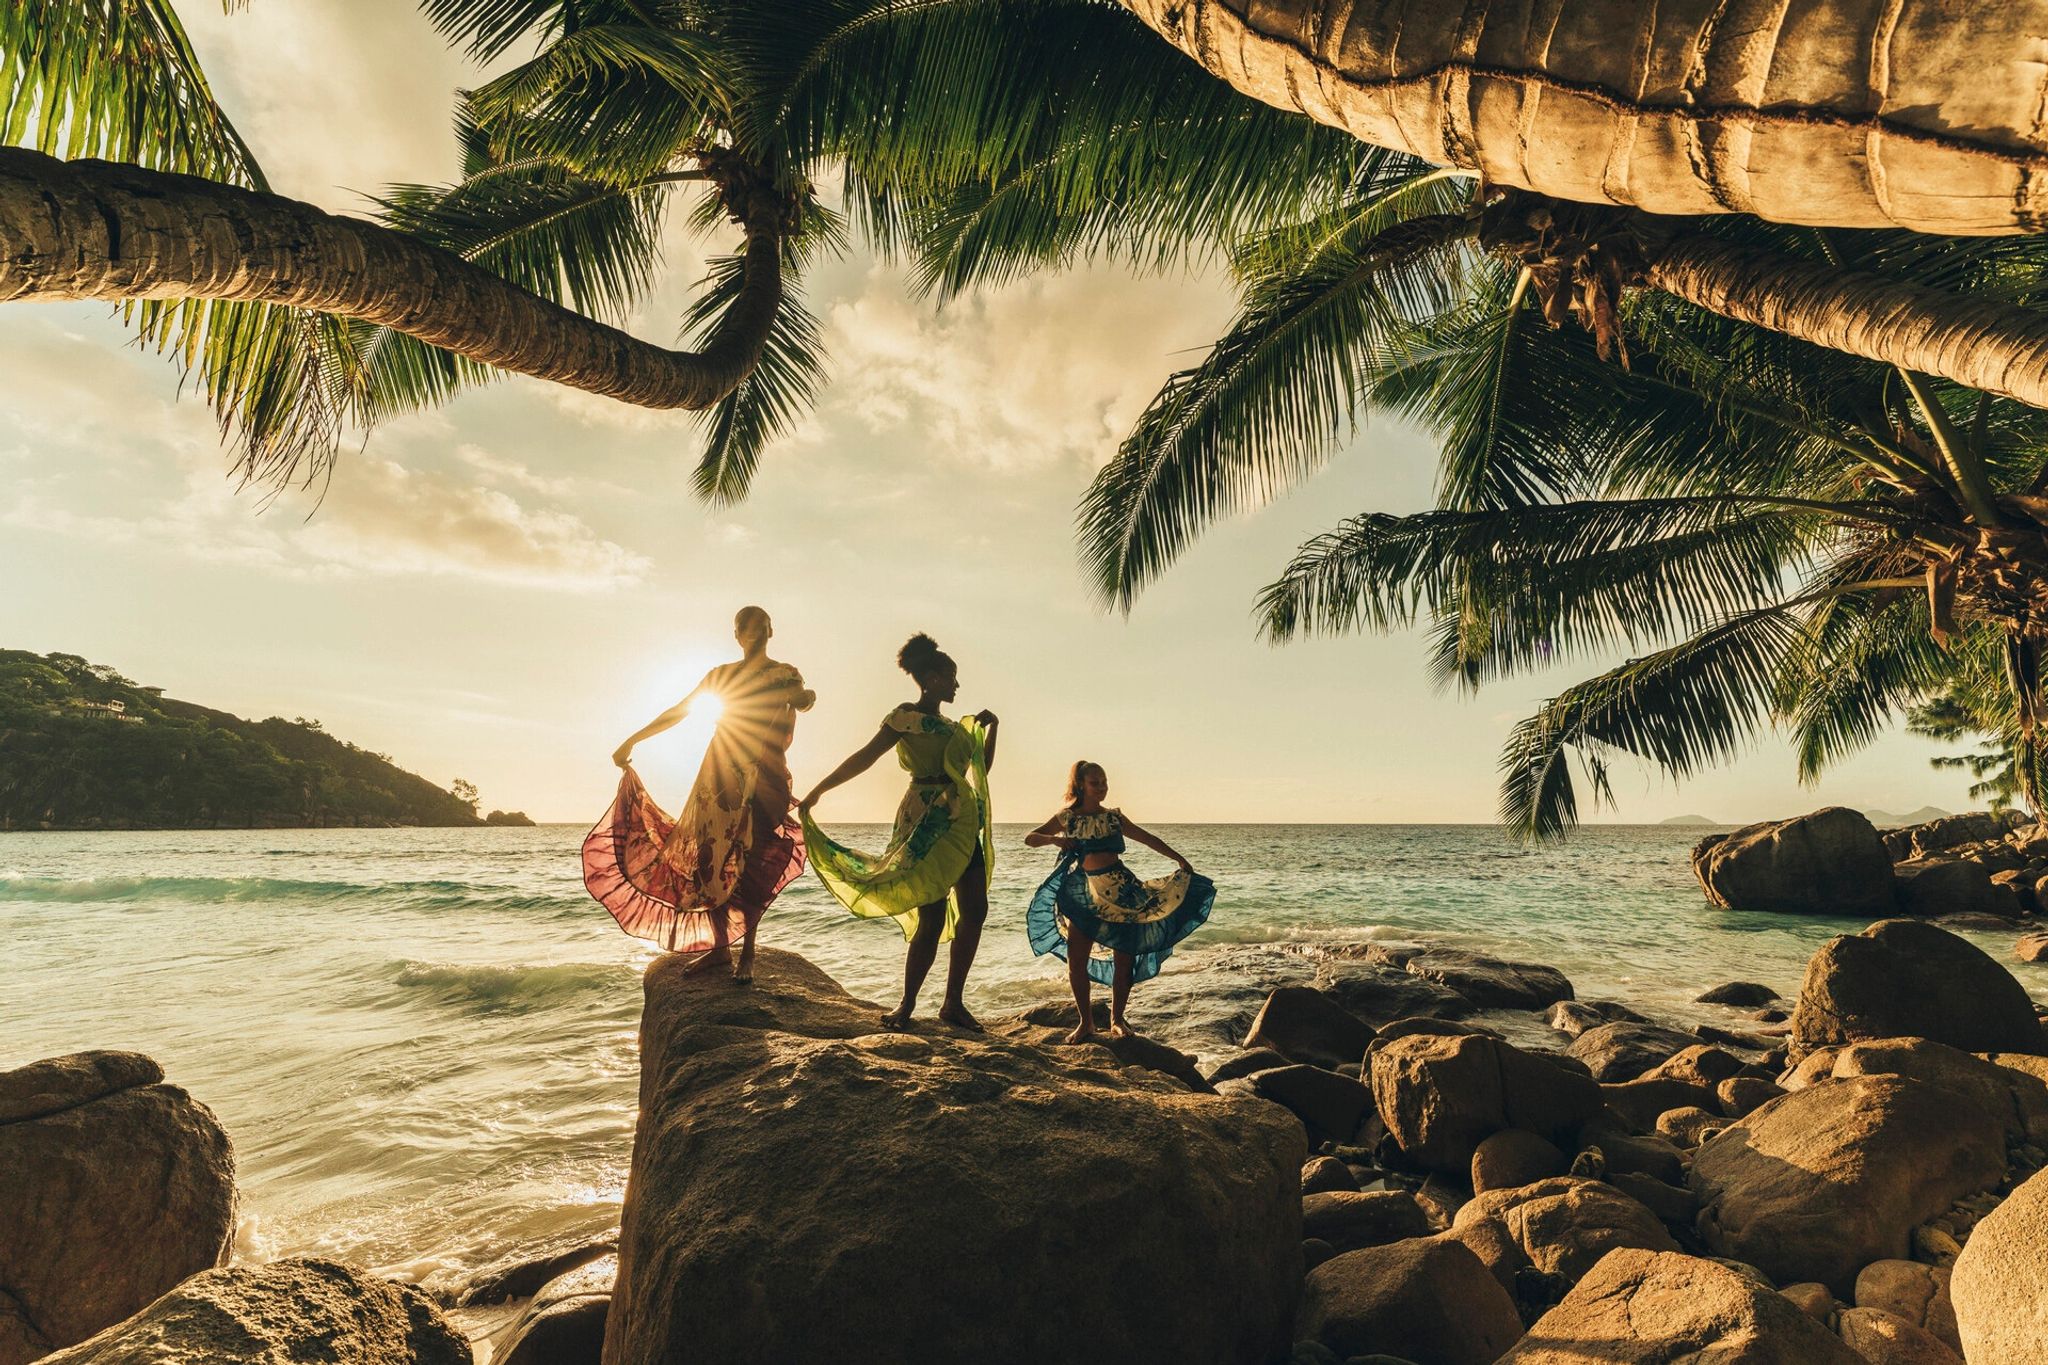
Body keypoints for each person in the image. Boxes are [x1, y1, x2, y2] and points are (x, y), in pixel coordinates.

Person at [582, 606, 813, 983]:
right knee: (711, 859)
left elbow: (802, 698)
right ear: (736, 635)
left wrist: (805, 697)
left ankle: (748, 954)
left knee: (753, 860)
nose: (754, 633)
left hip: (766, 775)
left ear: (771, 631)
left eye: (760, 627)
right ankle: (720, 951)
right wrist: (631, 739)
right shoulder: (721, 675)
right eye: (746, 628)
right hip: (720, 772)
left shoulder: (784, 673)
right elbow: (681, 711)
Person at [799, 633, 996, 1031]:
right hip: (925, 821)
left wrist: (992, 732)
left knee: (976, 909)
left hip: (961, 818)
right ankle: (906, 1005)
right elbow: (865, 757)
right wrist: (818, 791)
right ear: (931, 678)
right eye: (951, 677)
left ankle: (953, 1003)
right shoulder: (904, 716)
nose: (957, 684)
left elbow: (980, 771)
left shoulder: (954, 727)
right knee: (933, 913)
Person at [1024, 760, 1214, 1043]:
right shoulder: (1068, 818)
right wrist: (1055, 840)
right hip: (1084, 894)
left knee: (1124, 957)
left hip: (1122, 891)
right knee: (1077, 961)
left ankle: (1117, 1019)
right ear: (1080, 786)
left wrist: (1178, 858)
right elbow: (1030, 838)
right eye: (1095, 783)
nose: (1101, 787)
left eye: (1104, 782)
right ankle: (1085, 1023)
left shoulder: (1114, 818)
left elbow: (1147, 838)